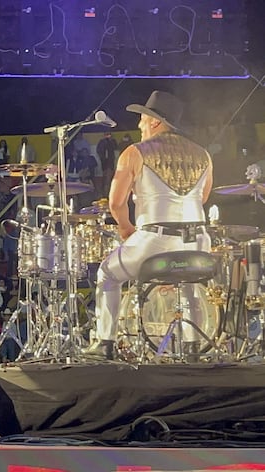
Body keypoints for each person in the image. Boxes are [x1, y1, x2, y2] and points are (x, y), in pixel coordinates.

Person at [85, 91, 213, 360]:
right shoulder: (203, 155)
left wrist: (127, 231)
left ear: (155, 122)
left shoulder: (135, 153)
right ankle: (192, 348)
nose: (140, 125)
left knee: (107, 274)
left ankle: (105, 343)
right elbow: (202, 198)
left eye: (142, 119)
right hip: (199, 242)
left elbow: (116, 203)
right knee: (190, 284)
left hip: (156, 240)